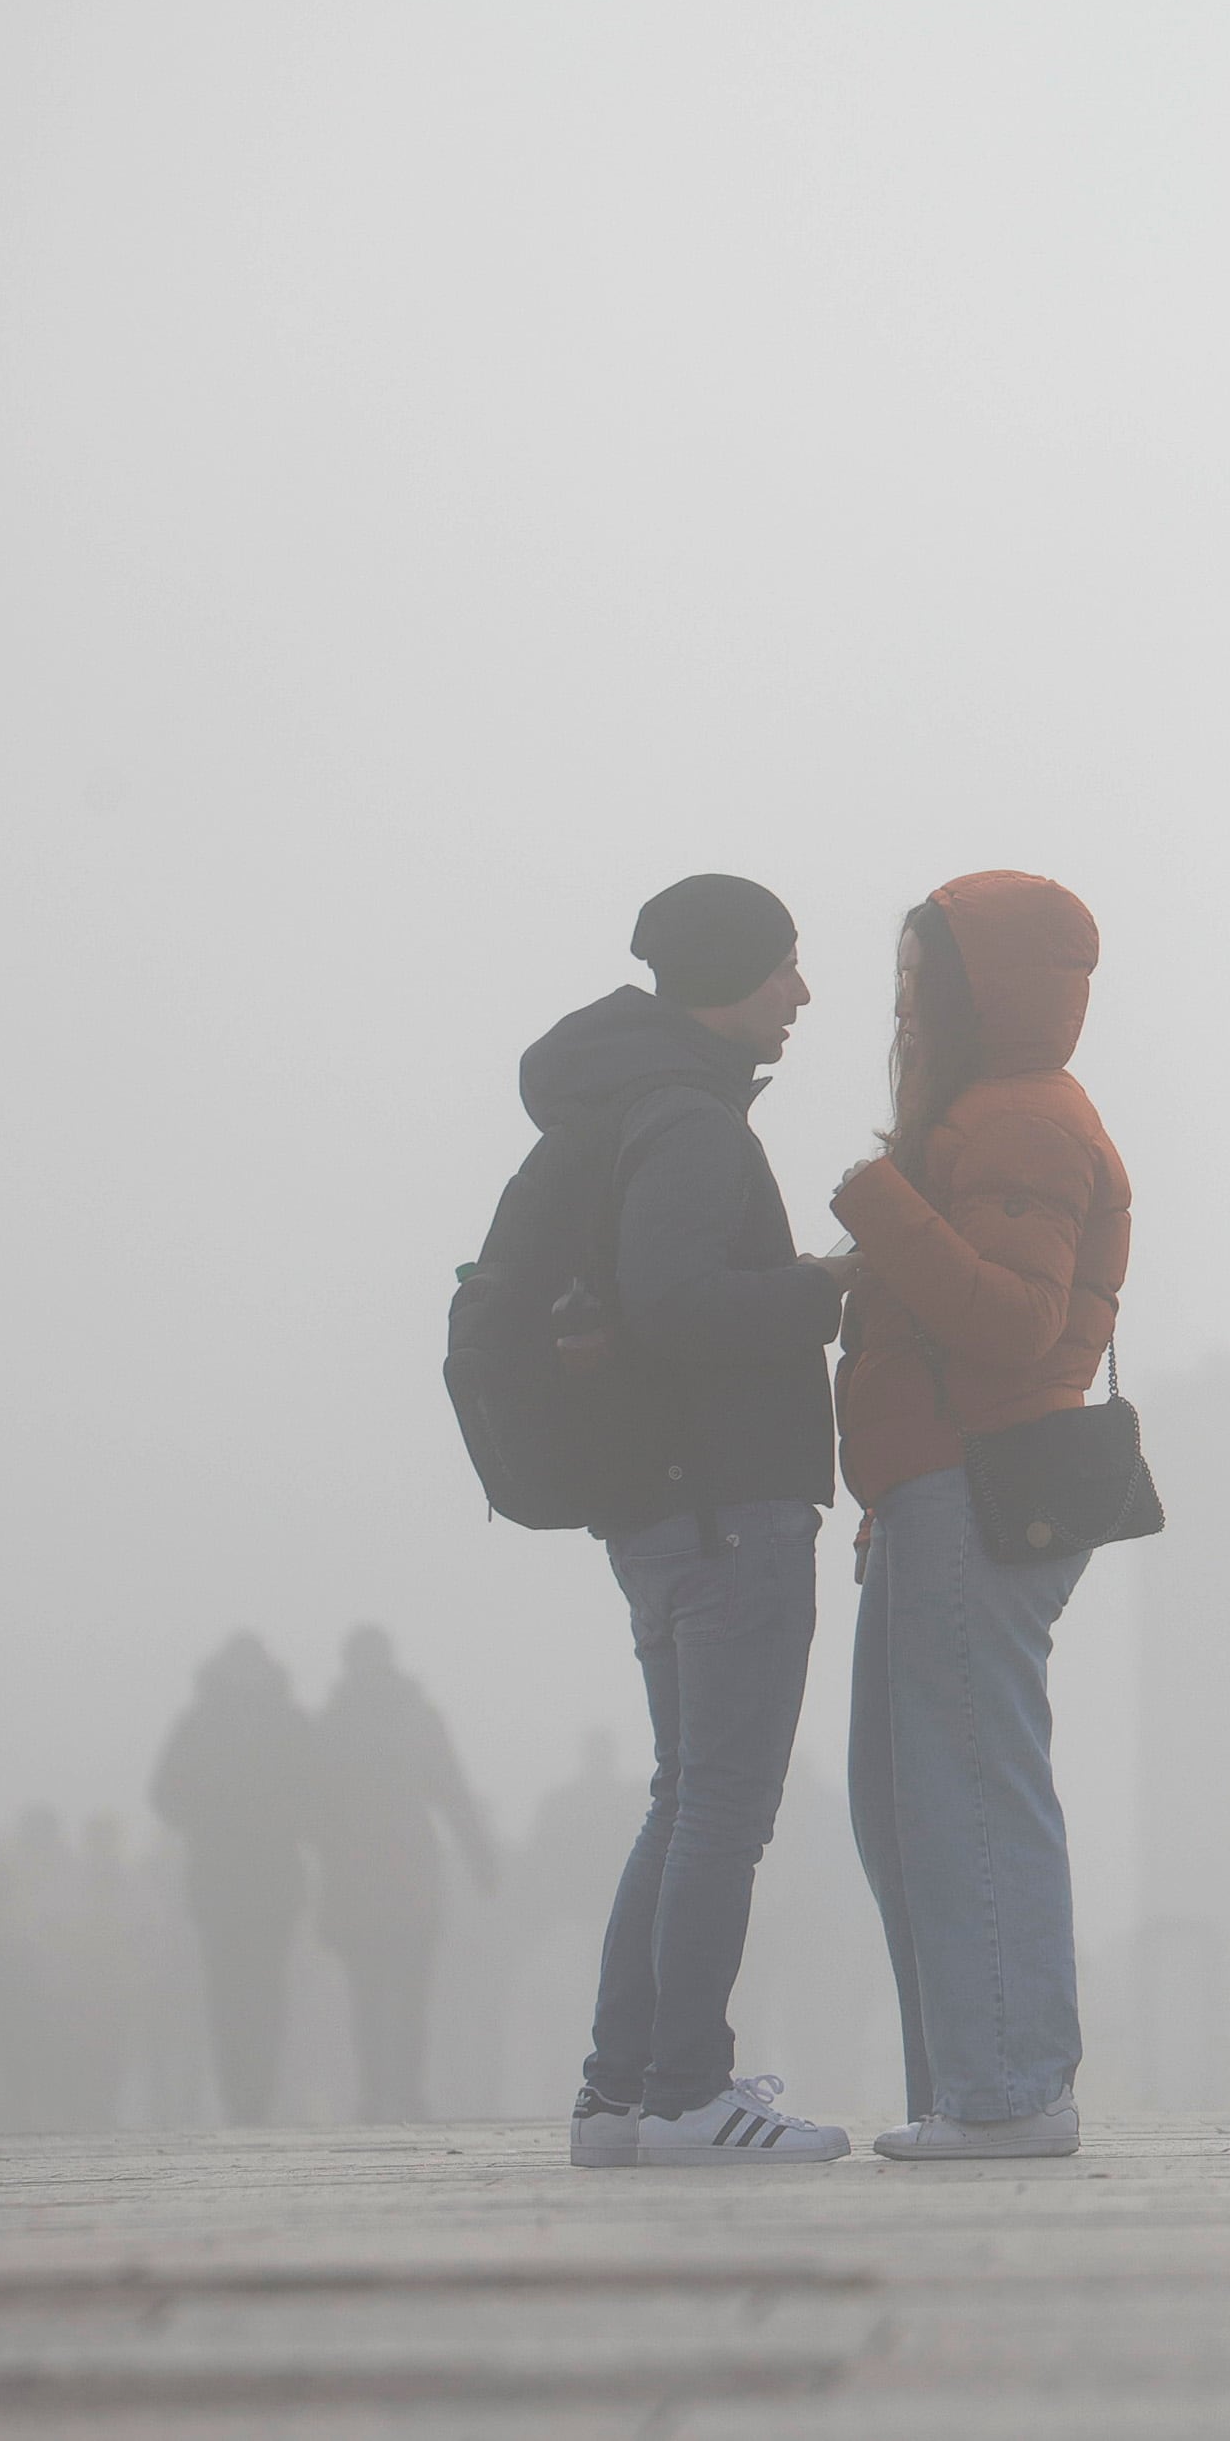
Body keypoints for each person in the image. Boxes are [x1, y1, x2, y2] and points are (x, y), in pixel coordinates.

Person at [520, 874, 853, 2165]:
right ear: (727, 978)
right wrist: (817, 1288)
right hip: (728, 1507)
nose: (802, 993)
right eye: (781, 968)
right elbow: (675, 1302)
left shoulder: (619, 1107)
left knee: (685, 1797)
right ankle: (682, 2090)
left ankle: (621, 2096)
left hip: (660, 1511)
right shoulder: (695, 1126)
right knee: (724, 1805)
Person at [833, 871, 1129, 2162]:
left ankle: (1008, 2091)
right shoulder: (985, 1116)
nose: (897, 1005)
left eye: (917, 978)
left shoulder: (1020, 1120)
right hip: (932, 1487)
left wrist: (882, 1211)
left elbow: (1011, 1319)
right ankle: (970, 2083)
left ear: (977, 990)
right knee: (902, 1804)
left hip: (978, 1483)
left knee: (965, 1793)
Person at [308, 1624, 498, 2123]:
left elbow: (449, 1786)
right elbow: (449, 1787)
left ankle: (396, 2093)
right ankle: (387, 2093)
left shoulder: (339, 1721)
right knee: (376, 1991)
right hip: (378, 1871)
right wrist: (478, 1854)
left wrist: (478, 1852)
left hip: (383, 1872)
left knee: (396, 1991)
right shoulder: (387, 1718)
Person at [148, 1631, 316, 2125]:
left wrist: (288, 1818)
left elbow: (319, 1790)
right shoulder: (202, 1724)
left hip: (269, 1881)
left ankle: (256, 2093)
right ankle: (238, 2095)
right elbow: (164, 1794)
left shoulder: (285, 1722)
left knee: (265, 1989)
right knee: (227, 1992)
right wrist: (213, 1817)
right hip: (222, 1880)